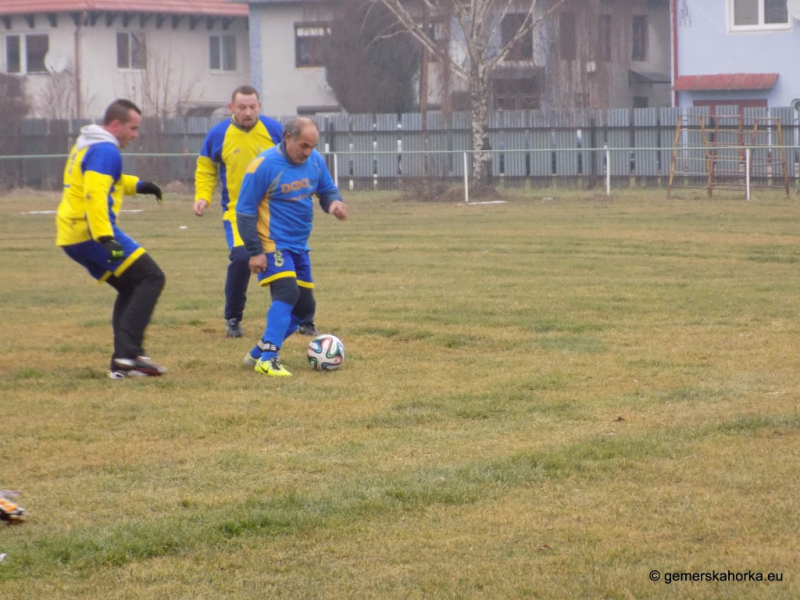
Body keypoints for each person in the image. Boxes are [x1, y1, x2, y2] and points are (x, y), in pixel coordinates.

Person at [56, 99, 167, 379]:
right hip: (91, 232)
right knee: (152, 277)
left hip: (74, 233)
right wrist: (105, 237)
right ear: (116, 125)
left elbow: (108, 180)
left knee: (131, 287)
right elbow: (95, 193)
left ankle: (125, 360)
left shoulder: (91, 143)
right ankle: (127, 354)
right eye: (133, 128)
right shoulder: (106, 150)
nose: (136, 134)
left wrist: (140, 186)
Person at [237, 117, 348, 377]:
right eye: (303, 146)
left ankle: (256, 354)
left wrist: (334, 204)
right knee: (287, 293)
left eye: (312, 146)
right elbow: (244, 212)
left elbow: (327, 190)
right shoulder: (262, 166)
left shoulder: (315, 161)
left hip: (299, 246)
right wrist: (255, 251)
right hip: (272, 245)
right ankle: (269, 357)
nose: (308, 152)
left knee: (303, 310)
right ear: (288, 137)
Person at [194, 85, 307, 338]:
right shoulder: (217, 135)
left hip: (274, 213)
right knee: (243, 258)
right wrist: (203, 197)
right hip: (237, 213)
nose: (248, 112)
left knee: (291, 260)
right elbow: (206, 169)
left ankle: (303, 319)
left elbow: (297, 159)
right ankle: (233, 318)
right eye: (242, 107)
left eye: (252, 106)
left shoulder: (275, 131)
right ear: (231, 108)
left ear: (259, 107)